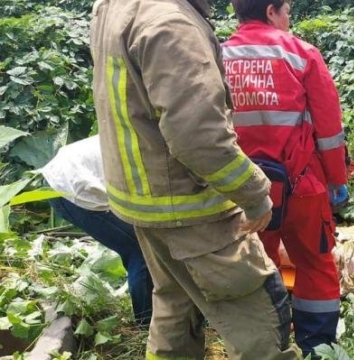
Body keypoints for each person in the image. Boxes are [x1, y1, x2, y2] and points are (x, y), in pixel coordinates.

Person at [89, 0, 300, 359]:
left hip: (145, 205)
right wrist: (254, 192)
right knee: (261, 318)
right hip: (191, 211)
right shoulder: (171, 23)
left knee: (175, 309)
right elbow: (200, 139)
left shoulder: (115, 6)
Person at [222, 0, 348, 356]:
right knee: (315, 263)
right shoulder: (302, 54)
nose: (288, 18)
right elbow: (329, 129)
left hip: (243, 193)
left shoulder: (216, 58)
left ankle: (271, 345)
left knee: (262, 268)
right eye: (287, 10)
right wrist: (337, 180)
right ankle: (317, 347)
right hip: (302, 187)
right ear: (271, 11)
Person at [41, 136, 153, 327]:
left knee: (146, 244)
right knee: (141, 249)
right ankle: (146, 325)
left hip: (70, 173)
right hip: (71, 184)